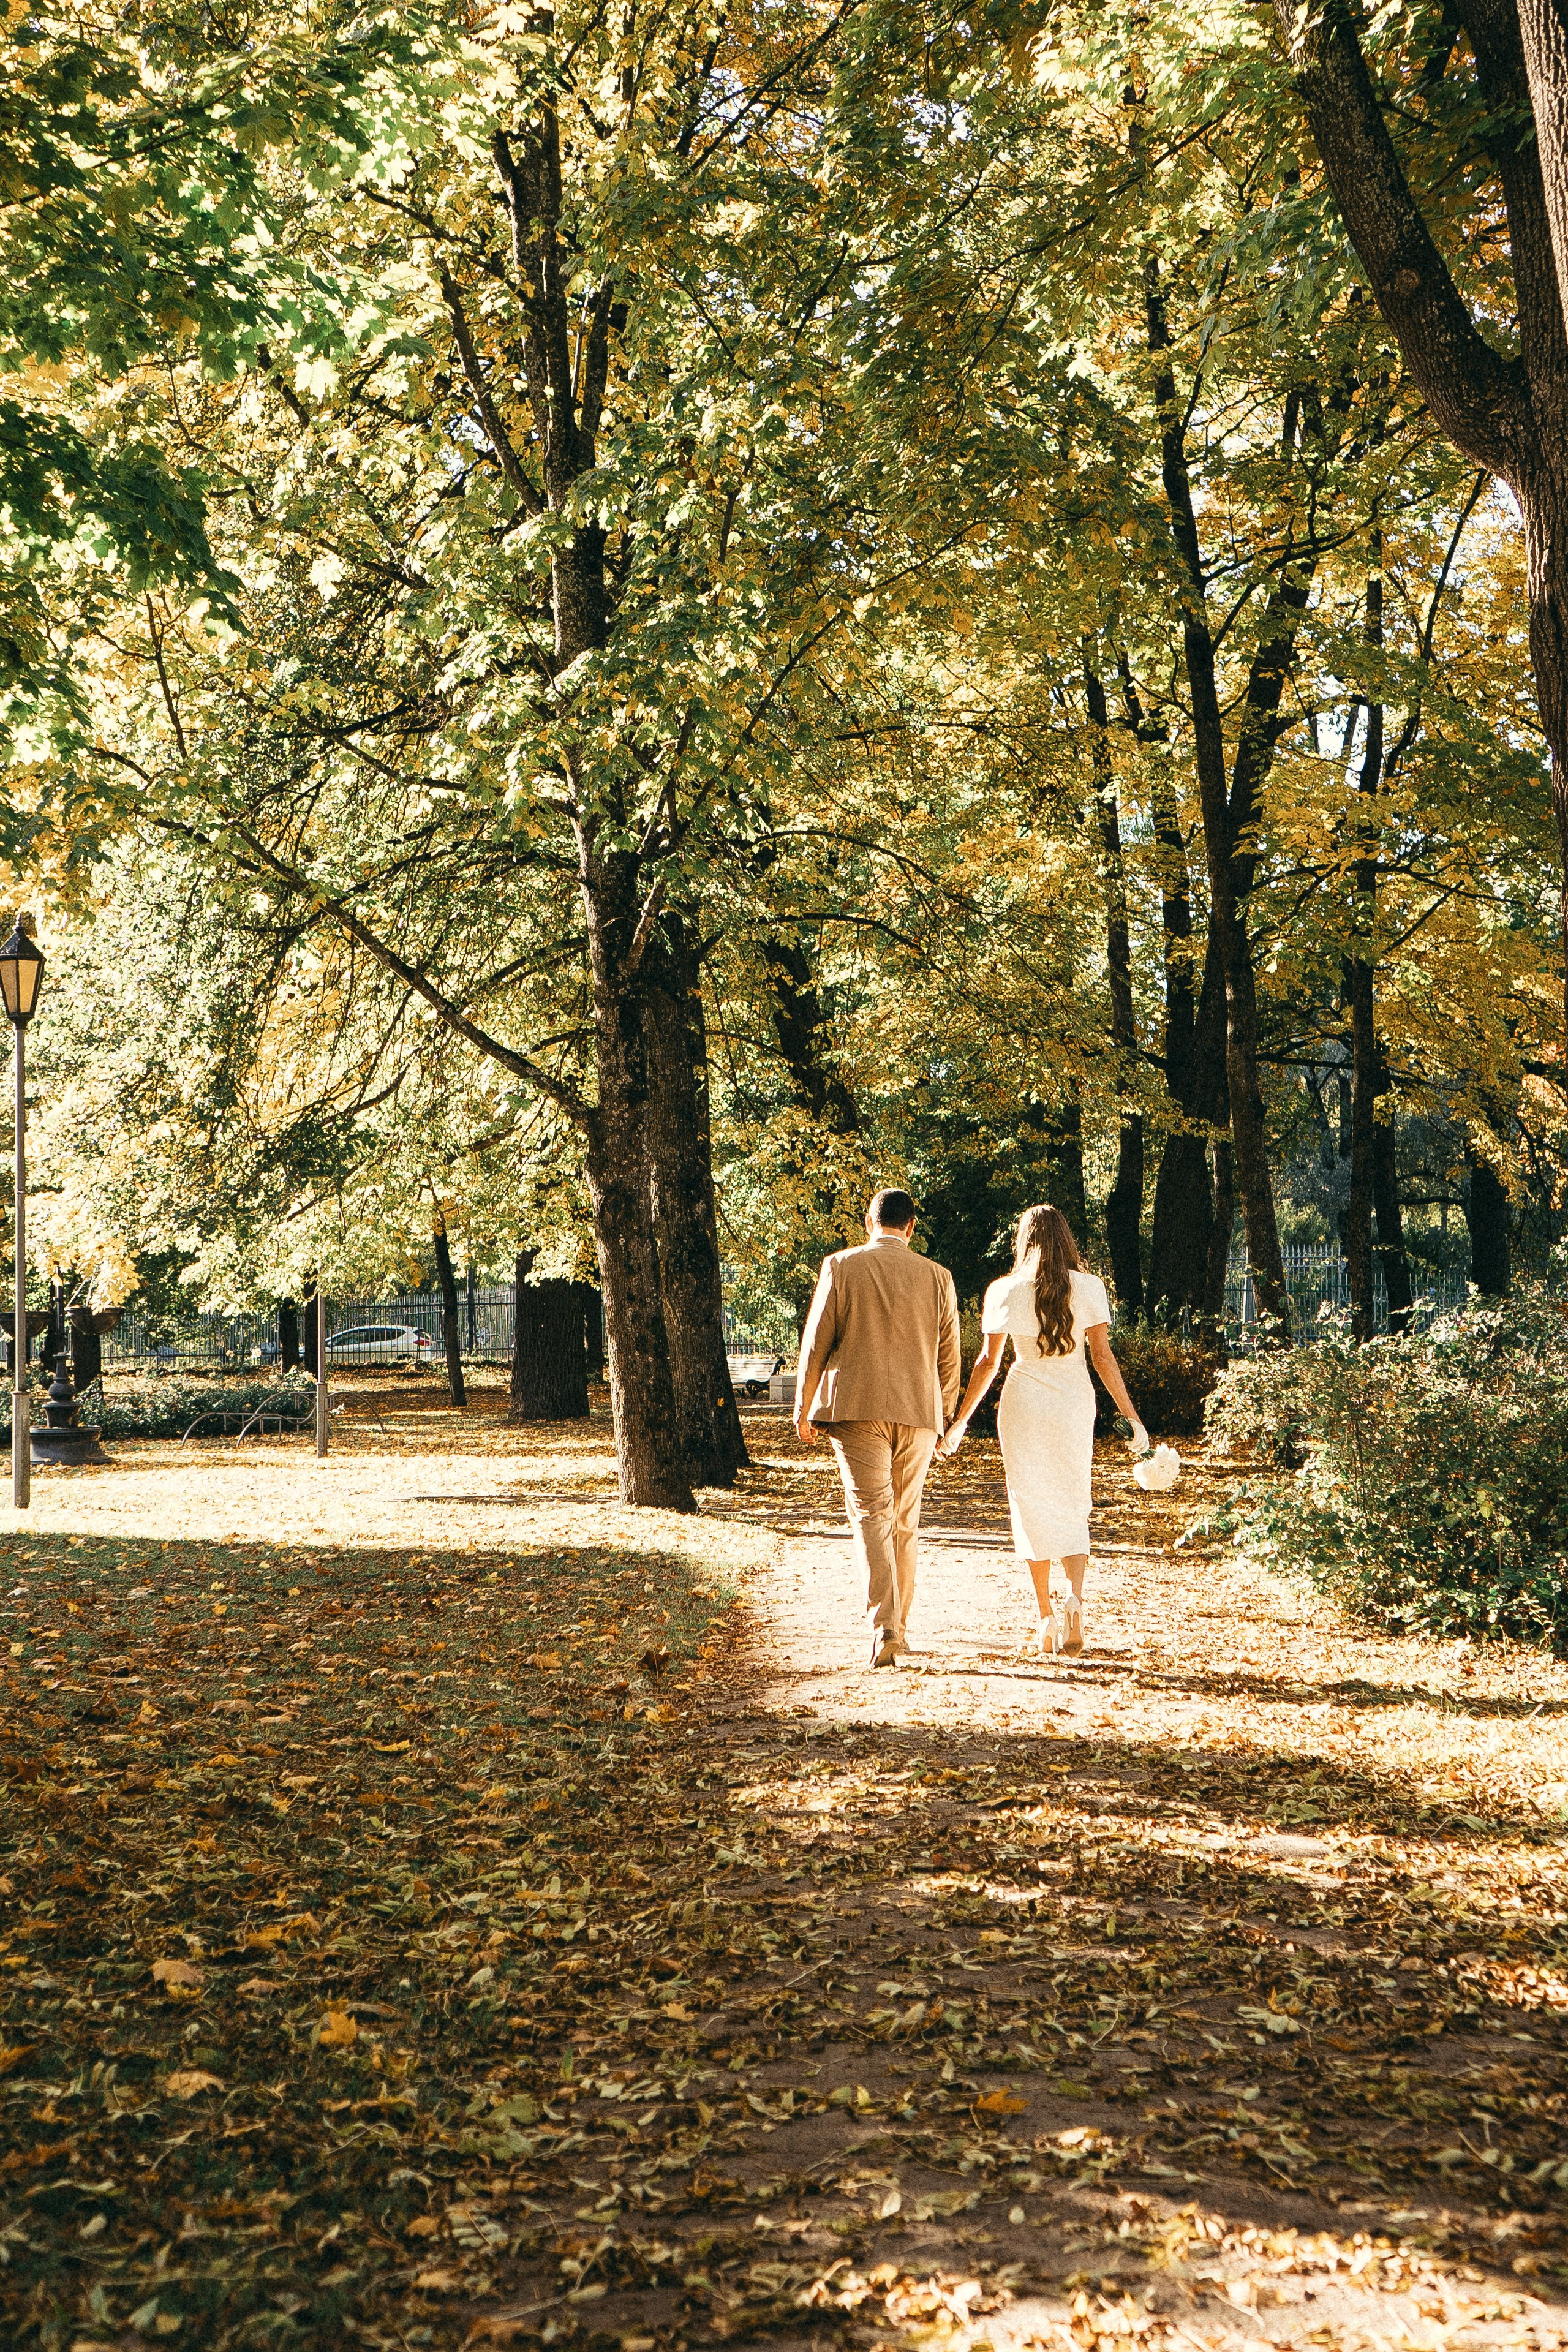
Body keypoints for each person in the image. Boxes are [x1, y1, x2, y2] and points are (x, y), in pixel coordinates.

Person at [940, 1202, 1147, 1657]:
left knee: (1029, 1504)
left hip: (1024, 1403)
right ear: (1066, 1239)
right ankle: (1074, 1597)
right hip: (1074, 1401)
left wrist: (959, 1422)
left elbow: (987, 1363)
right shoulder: (1090, 1287)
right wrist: (1133, 1418)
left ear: (1023, 1239)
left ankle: (1045, 1618)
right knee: (1074, 1501)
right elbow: (1103, 1358)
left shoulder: (1003, 1290)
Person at [795, 1188, 962, 1669]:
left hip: (856, 1408)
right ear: (911, 1227)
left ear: (870, 1222)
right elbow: (949, 1355)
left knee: (872, 1515)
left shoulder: (841, 1266)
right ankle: (899, 1626)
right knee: (905, 1520)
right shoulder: (938, 1277)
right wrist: (945, 1412)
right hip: (919, 1412)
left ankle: (884, 1626)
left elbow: (815, 1342)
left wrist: (803, 1406)